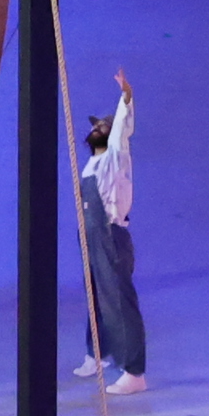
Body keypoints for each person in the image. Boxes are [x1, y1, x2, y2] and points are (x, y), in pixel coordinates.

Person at [72, 74, 145, 393]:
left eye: (102, 126)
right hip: (90, 236)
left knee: (117, 299)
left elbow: (122, 129)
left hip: (110, 235)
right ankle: (97, 354)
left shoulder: (116, 157)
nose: (96, 129)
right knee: (95, 295)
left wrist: (126, 96)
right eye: (95, 126)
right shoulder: (91, 165)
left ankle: (134, 372)